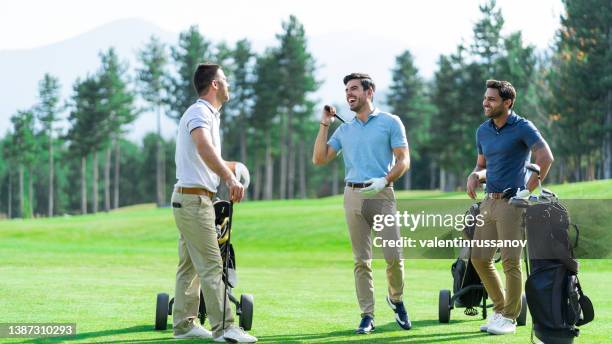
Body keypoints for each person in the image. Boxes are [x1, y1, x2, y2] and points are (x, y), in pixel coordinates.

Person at [312, 73, 412, 334]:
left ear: (370, 92)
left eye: (354, 88)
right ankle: (367, 315)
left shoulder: (391, 122)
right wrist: (324, 124)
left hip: (382, 194)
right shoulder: (344, 129)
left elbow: (404, 160)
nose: (348, 94)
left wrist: (384, 180)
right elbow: (320, 159)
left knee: (394, 256)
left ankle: (396, 298)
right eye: (346, 90)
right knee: (362, 260)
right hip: (353, 195)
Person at [171, 62, 256, 343]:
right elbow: (203, 147)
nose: (229, 83)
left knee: (189, 266)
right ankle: (225, 328)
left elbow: (205, 159)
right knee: (211, 265)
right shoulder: (199, 112)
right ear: (215, 85)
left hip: (192, 198)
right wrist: (230, 180)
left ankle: (184, 324)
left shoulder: (208, 114)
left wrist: (231, 166)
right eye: (225, 79)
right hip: (194, 201)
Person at [467, 80, 554, 335]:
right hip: (488, 202)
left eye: (492, 99)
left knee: (510, 262)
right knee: (479, 259)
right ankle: (500, 309)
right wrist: (475, 175)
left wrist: (527, 191)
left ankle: (510, 318)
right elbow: (482, 165)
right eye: (485, 98)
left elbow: (545, 157)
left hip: (512, 204)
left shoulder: (523, 127)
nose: (486, 102)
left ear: (507, 103)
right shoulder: (483, 131)